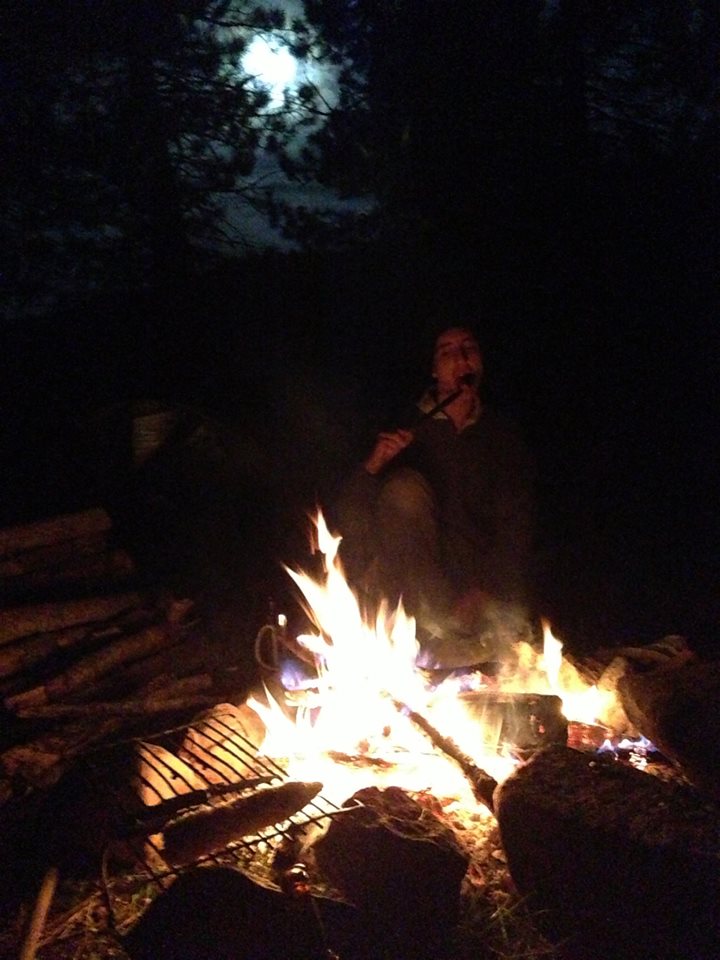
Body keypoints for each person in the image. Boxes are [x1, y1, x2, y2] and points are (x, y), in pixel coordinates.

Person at [335, 324, 537, 669]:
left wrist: (486, 587)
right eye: (447, 352)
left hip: (476, 586)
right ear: (434, 370)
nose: (459, 358)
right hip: (412, 590)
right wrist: (374, 464)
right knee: (404, 491)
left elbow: (516, 526)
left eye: (468, 349)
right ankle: (432, 642)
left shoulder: (502, 437)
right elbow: (348, 515)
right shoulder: (404, 426)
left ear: (480, 363)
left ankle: (466, 649)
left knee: (510, 636)